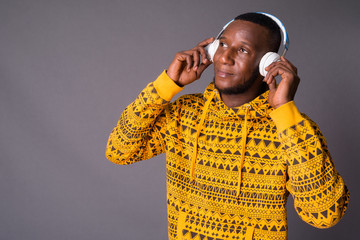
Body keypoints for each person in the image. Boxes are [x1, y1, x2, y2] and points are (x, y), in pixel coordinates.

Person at [106, 12, 349, 240]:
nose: (225, 57)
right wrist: (167, 85)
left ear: (268, 64)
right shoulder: (184, 113)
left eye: (242, 49)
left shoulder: (291, 129)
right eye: (222, 45)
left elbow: (325, 215)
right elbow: (119, 151)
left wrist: (285, 111)